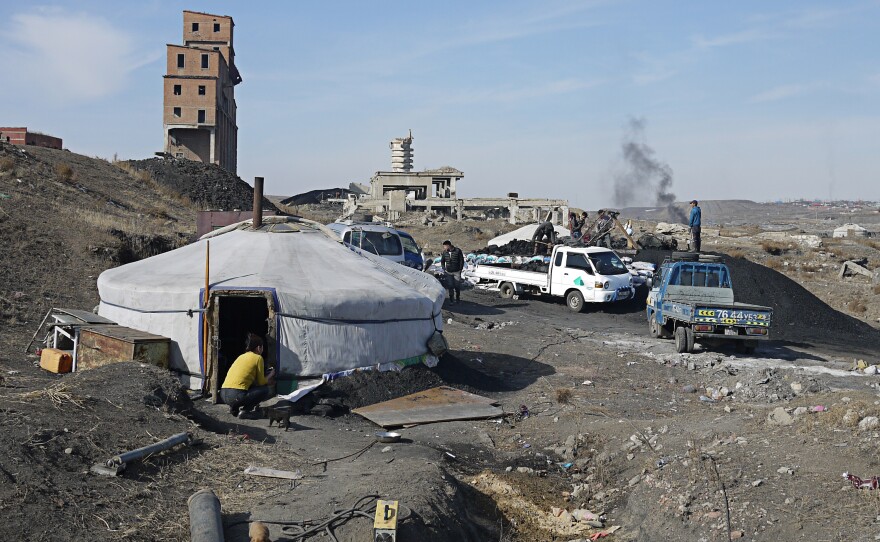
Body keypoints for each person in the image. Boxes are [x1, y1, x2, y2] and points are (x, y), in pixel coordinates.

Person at [220, 333, 275, 417]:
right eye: (262, 347)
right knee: (264, 390)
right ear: (259, 348)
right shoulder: (258, 358)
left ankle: (233, 408)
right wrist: (271, 374)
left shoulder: (241, 356)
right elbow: (261, 382)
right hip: (235, 395)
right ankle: (245, 411)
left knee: (249, 387)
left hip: (223, 394)